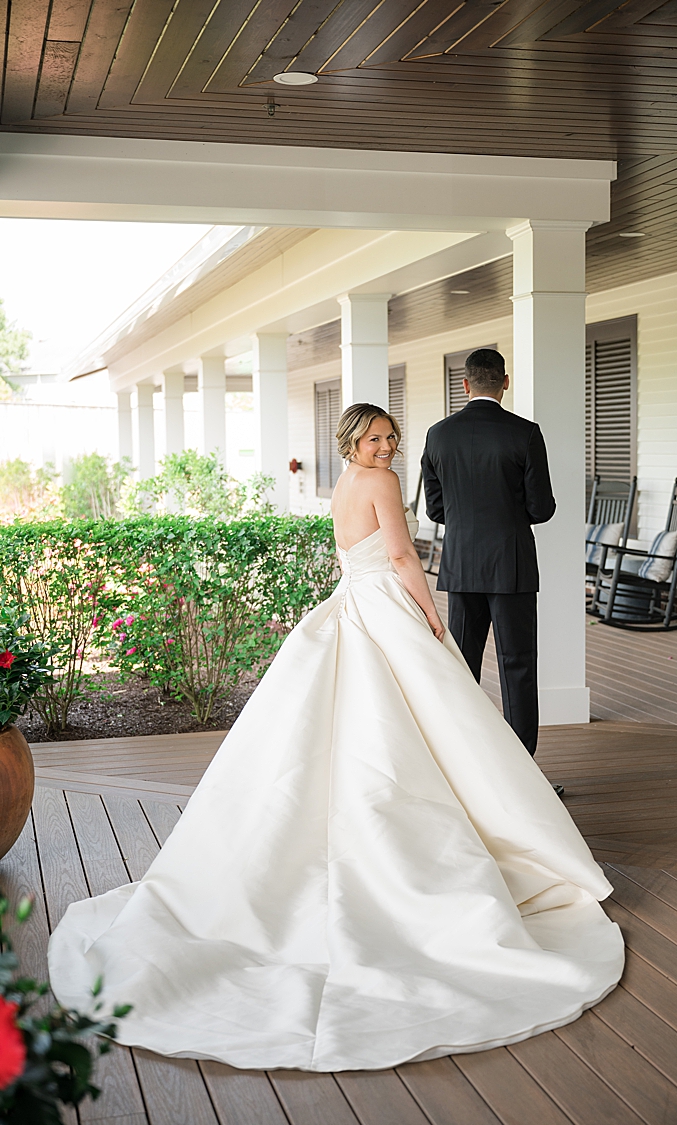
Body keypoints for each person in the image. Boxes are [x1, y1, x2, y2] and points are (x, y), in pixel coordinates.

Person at [47, 403, 623, 1071]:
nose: (387, 445)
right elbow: (402, 553)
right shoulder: (377, 481)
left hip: (353, 598)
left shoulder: (343, 484)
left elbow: (354, 555)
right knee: (431, 718)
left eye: (389, 437)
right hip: (386, 602)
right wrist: (430, 615)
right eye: (376, 438)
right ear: (355, 440)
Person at [421, 349, 554, 775]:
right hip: (511, 564)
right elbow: (542, 508)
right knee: (517, 664)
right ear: (505, 382)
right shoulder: (526, 433)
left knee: (461, 665)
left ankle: (464, 766)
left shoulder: (438, 435)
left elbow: (436, 510)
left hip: (460, 565)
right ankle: (521, 772)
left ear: (465, 385)